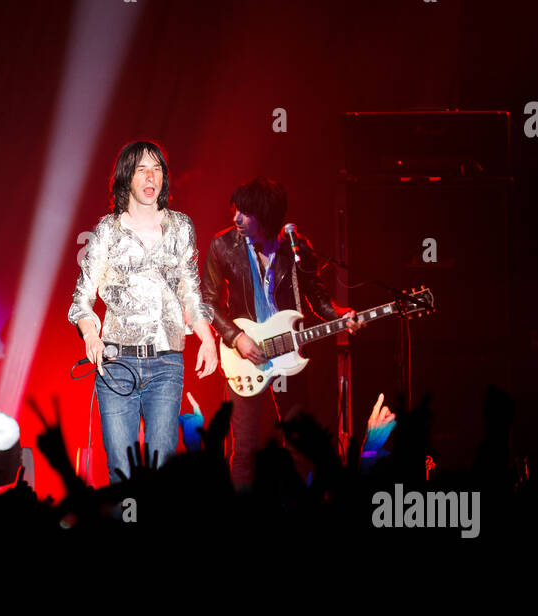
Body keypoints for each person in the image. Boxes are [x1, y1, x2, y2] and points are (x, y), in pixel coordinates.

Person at [68, 140, 219, 483]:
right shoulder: (108, 231)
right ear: (127, 179)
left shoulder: (181, 227)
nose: (151, 177)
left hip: (166, 363)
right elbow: (81, 299)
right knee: (121, 471)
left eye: (157, 169)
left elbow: (191, 291)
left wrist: (207, 339)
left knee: (161, 472)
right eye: (141, 170)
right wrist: (91, 336)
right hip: (117, 364)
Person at [200, 177, 359, 488]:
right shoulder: (223, 245)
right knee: (244, 450)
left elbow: (320, 299)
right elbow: (208, 303)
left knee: (300, 446)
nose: (236, 219)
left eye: (246, 213)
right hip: (245, 355)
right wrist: (237, 338)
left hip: (289, 350)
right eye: (236, 211)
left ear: (266, 216)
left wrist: (343, 316)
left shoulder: (295, 248)